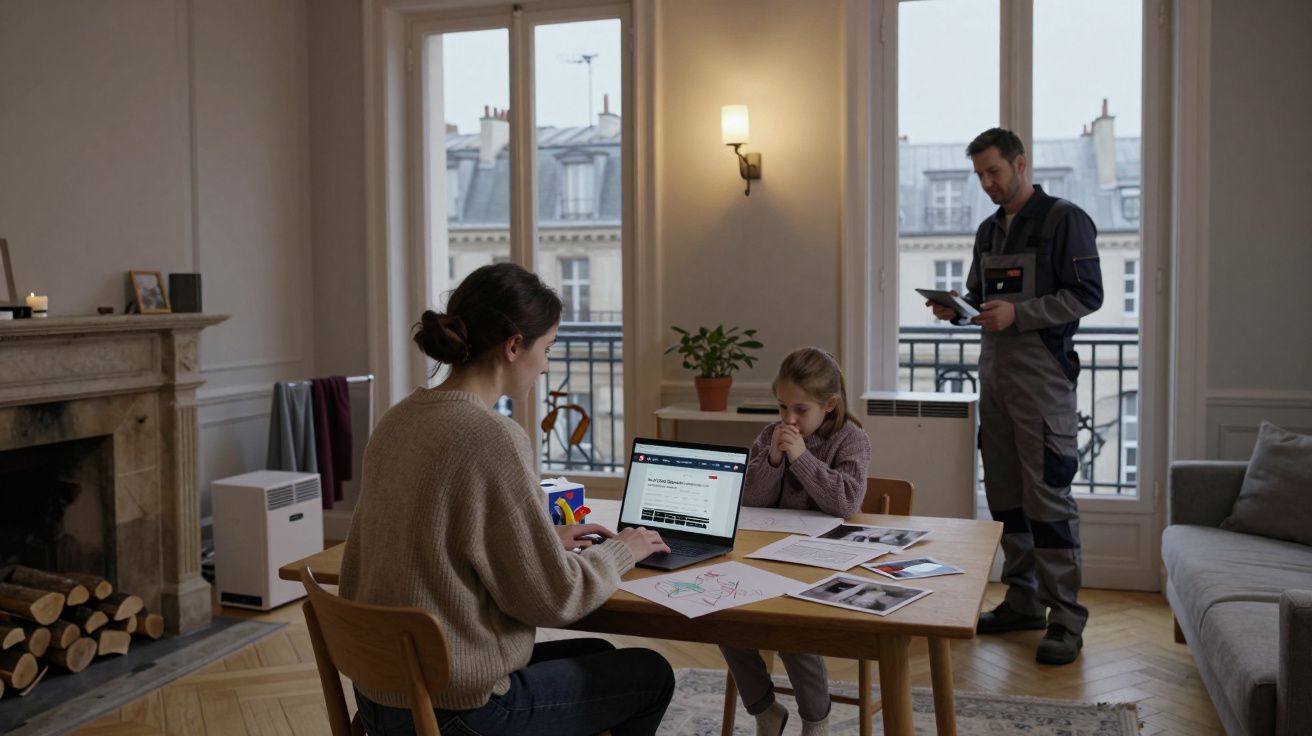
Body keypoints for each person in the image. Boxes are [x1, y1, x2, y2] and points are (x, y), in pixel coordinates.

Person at [338, 263, 675, 735]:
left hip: (382, 695)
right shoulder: (493, 436)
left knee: (597, 654)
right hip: (458, 711)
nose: (546, 365)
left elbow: (437, 540)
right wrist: (624, 550)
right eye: (547, 348)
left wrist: (542, 539)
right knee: (651, 674)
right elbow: (554, 599)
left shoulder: (398, 419)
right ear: (514, 345)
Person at [926, 127, 1103, 665]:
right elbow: (984, 299)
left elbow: (1087, 295)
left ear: (1020, 164)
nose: (986, 183)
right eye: (979, 174)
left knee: (1049, 498)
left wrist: (1021, 314)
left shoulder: (1064, 219)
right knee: (1005, 497)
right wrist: (956, 308)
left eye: (994, 172)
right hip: (995, 379)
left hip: (1043, 383)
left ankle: (1065, 619)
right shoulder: (987, 231)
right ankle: (1023, 601)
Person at [720, 347, 871, 736]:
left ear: (830, 404)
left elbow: (845, 502)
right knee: (719, 612)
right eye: (782, 407)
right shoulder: (771, 436)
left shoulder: (850, 440)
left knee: (789, 628)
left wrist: (802, 458)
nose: (789, 419)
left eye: (800, 410)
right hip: (764, 553)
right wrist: (771, 459)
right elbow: (750, 499)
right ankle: (764, 709)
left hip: (820, 560)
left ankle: (816, 721)